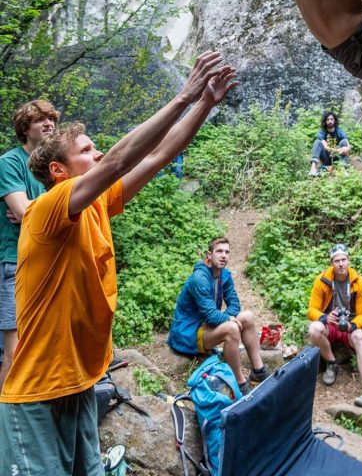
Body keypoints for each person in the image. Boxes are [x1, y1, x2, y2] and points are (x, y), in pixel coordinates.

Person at [0, 51, 236, 476]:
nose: (99, 152)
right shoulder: (48, 208)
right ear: (59, 170)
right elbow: (120, 160)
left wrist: (205, 103)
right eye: (88, 150)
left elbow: (155, 157)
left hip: (78, 386)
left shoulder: (96, 206)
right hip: (34, 394)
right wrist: (183, 96)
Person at [0, 99, 59, 388]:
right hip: (14, 262)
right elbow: (23, 211)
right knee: (14, 351)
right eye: (40, 120)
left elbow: (34, 211)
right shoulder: (10, 162)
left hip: (46, 261)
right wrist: (35, 210)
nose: (49, 123)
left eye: (51, 119)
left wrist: (35, 208)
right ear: (25, 128)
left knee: (40, 346)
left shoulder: (51, 165)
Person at [167, 236, 267, 393]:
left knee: (247, 317)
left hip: (208, 326)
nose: (223, 255)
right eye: (219, 251)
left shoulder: (224, 275)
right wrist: (227, 319)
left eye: (227, 252)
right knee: (232, 328)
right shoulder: (199, 278)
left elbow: (234, 304)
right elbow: (211, 316)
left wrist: (226, 316)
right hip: (189, 333)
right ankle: (240, 383)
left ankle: (258, 371)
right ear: (209, 255)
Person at [308, 243, 362, 409]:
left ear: (348, 260)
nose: (341, 264)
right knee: (314, 329)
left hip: (350, 325)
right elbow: (311, 310)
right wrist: (325, 317)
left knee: (360, 337)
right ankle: (332, 363)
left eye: (343, 259)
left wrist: (353, 326)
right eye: (337, 260)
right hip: (330, 325)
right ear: (332, 263)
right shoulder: (322, 280)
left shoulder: (359, 282)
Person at [309, 111, 350, 176]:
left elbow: (347, 145)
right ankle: (313, 169)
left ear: (334, 120)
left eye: (331, 119)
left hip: (337, 158)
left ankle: (342, 169)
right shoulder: (321, 132)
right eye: (327, 120)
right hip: (326, 158)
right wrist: (339, 150)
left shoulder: (339, 130)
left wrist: (346, 149)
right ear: (325, 121)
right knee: (317, 142)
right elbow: (326, 147)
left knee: (344, 141)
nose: (330, 121)